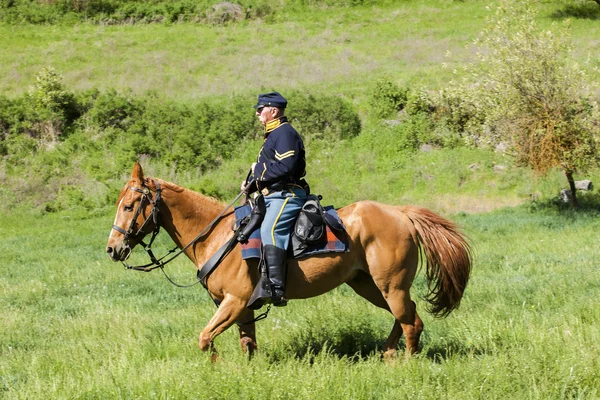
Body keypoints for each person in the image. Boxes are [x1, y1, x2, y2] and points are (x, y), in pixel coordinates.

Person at [241, 91, 309, 307]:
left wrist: (257, 172)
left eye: (261, 109)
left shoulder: (285, 133)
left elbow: (285, 167)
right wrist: (252, 184)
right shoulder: (273, 134)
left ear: (274, 110)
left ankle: (276, 288)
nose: (258, 113)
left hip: (288, 194)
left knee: (270, 229)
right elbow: (271, 168)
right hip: (272, 195)